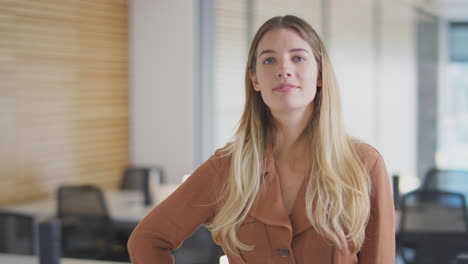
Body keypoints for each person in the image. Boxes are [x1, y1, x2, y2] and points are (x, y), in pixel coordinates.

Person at [128, 15, 395, 263]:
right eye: (269, 60)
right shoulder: (227, 167)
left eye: (298, 58)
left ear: (320, 75)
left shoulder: (364, 164)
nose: (284, 69)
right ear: (255, 79)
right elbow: (147, 239)